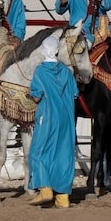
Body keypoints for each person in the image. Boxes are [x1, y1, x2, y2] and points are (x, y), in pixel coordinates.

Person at [27, 35, 80, 209]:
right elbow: (74, 93)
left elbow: (36, 96)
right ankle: (63, 197)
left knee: (38, 152)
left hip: (48, 117)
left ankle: (45, 189)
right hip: (66, 118)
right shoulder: (66, 71)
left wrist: (29, 95)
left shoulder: (40, 71)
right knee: (63, 155)